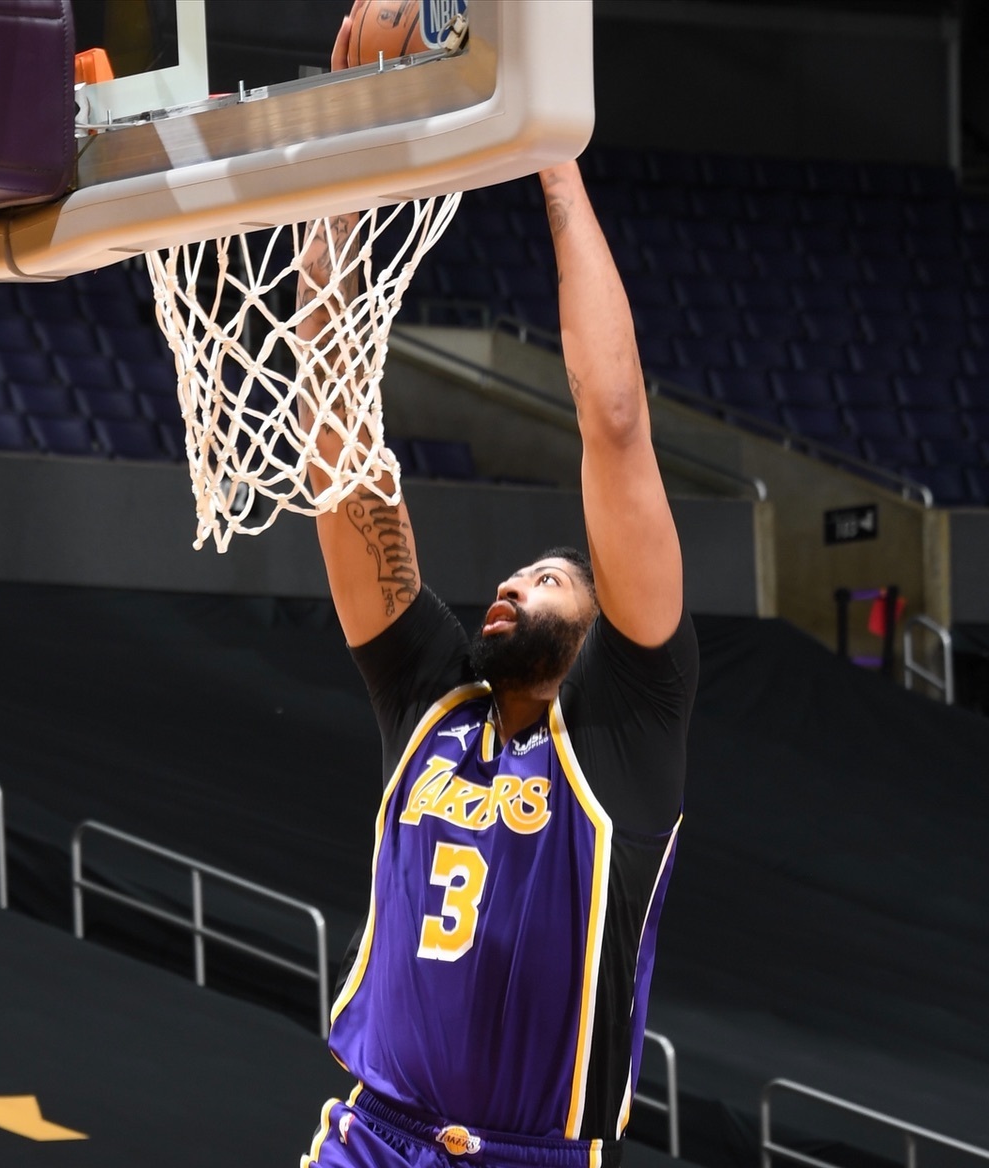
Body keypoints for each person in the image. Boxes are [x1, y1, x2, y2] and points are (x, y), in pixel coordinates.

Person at [297, 14, 697, 1167]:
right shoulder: (431, 696)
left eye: (554, 572)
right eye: (518, 573)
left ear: (601, 624)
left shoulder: (629, 726)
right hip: (372, 1136)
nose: (518, 579)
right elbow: (336, 449)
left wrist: (549, 157)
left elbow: (614, 424)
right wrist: (335, 168)